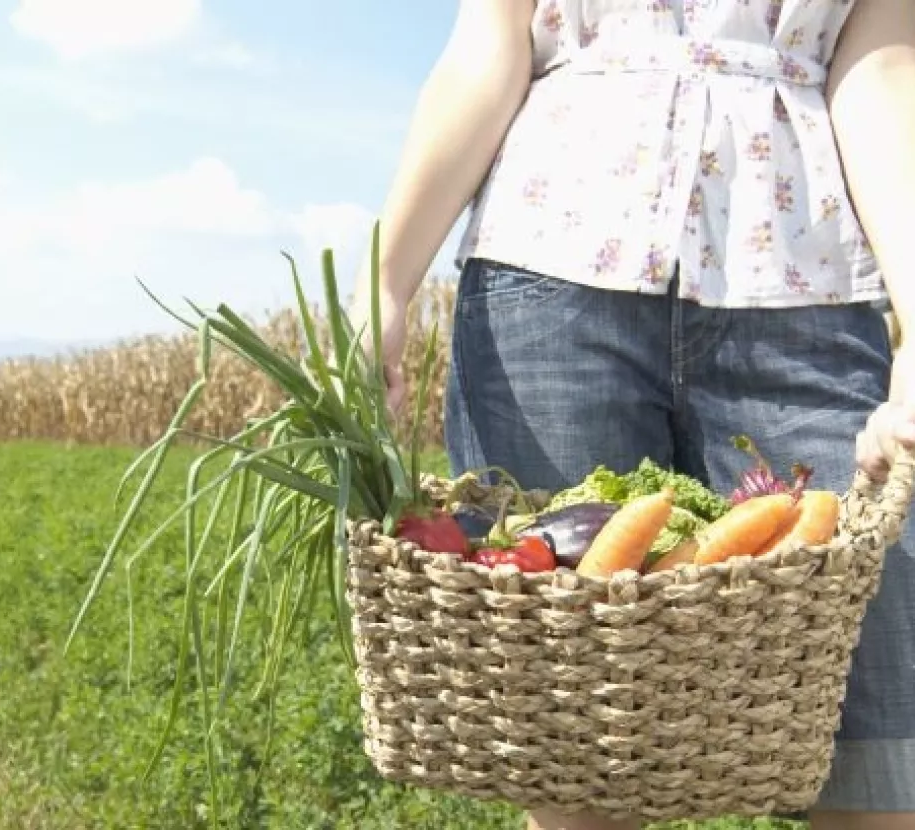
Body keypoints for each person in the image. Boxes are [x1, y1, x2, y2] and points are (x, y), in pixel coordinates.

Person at [349, 1, 915, 827]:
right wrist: (387, 279)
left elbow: (884, 72)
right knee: (581, 742)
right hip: (549, 275)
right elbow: (489, 50)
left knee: (873, 741)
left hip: (806, 285)